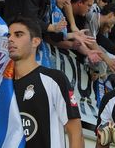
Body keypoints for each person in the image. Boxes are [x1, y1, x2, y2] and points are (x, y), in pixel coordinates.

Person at [7, 16, 84, 147]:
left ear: (35, 41)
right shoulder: (3, 87)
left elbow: (75, 132)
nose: (10, 39)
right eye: (8, 36)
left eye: (18, 35)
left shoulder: (54, 79)